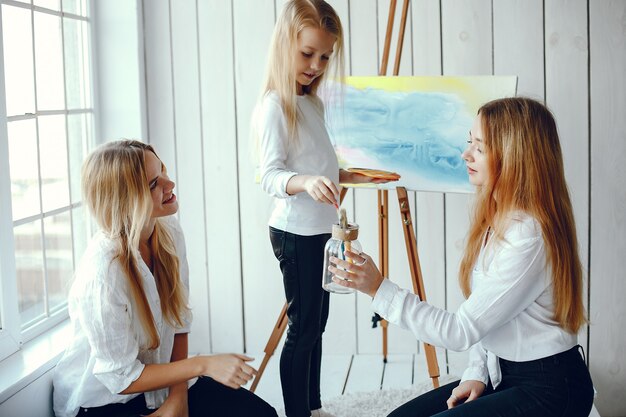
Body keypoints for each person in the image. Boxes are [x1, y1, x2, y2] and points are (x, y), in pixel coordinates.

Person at [328, 97, 595, 417]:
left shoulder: (529, 235)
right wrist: (476, 373)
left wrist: (378, 288)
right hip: (502, 373)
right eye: (470, 143)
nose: (465, 154)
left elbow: (460, 330)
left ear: (513, 157)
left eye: (479, 147)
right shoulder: (497, 219)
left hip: (550, 389)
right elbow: (489, 318)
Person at [53, 140, 277, 417]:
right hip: (104, 402)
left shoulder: (168, 229)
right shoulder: (104, 273)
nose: (169, 185)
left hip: (162, 386)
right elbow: (121, 377)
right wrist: (203, 365)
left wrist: (178, 396)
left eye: (163, 172)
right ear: (125, 200)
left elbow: (179, 320)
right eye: (153, 184)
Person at [252, 1, 396, 416]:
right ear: (285, 45)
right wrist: (305, 183)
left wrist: (352, 176)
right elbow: (270, 176)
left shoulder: (311, 104)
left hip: (321, 232)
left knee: (317, 325)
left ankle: (313, 408)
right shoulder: (275, 106)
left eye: (325, 57)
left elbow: (320, 165)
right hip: (295, 232)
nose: (316, 65)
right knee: (303, 328)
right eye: (307, 54)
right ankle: (299, 412)